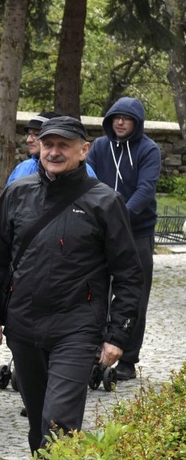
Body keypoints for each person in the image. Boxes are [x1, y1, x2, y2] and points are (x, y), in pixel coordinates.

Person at [0, 116, 143, 454]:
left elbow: (128, 274)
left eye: (63, 145)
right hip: (23, 324)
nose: (53, 152)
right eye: (48, 144)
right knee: (39, 419)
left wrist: (117, 336)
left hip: (77, 327)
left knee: (59, 422)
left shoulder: (105, 202)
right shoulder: (17, 193)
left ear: (83, 150)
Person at [86, 97, 161, 382]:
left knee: (134, 295)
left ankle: (128, 359)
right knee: (95, 291)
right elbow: (88, 179)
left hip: (136, 231)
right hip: (100, 231)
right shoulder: (100, 147)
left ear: (136, 123)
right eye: (115, 117)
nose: (120, 122)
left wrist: (118, 219)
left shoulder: (149, 150)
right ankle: (94, 350)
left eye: (126, 118)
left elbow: (145, 189)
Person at [7, 111, 96, 186]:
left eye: (36, 134)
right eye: (29, 134)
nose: (29, 140)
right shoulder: (22, 168)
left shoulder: (85, 173)